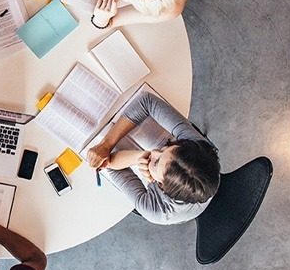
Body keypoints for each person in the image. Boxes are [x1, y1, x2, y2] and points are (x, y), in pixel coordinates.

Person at [87, 92, 220, 224]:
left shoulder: (155, 211)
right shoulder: (198, 154)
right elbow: (146, 101)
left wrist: (140, 156)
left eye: (156, 162)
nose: (155, 152)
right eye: (166, 150)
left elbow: (109, 164)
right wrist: (107, 143)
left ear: (161, 186)